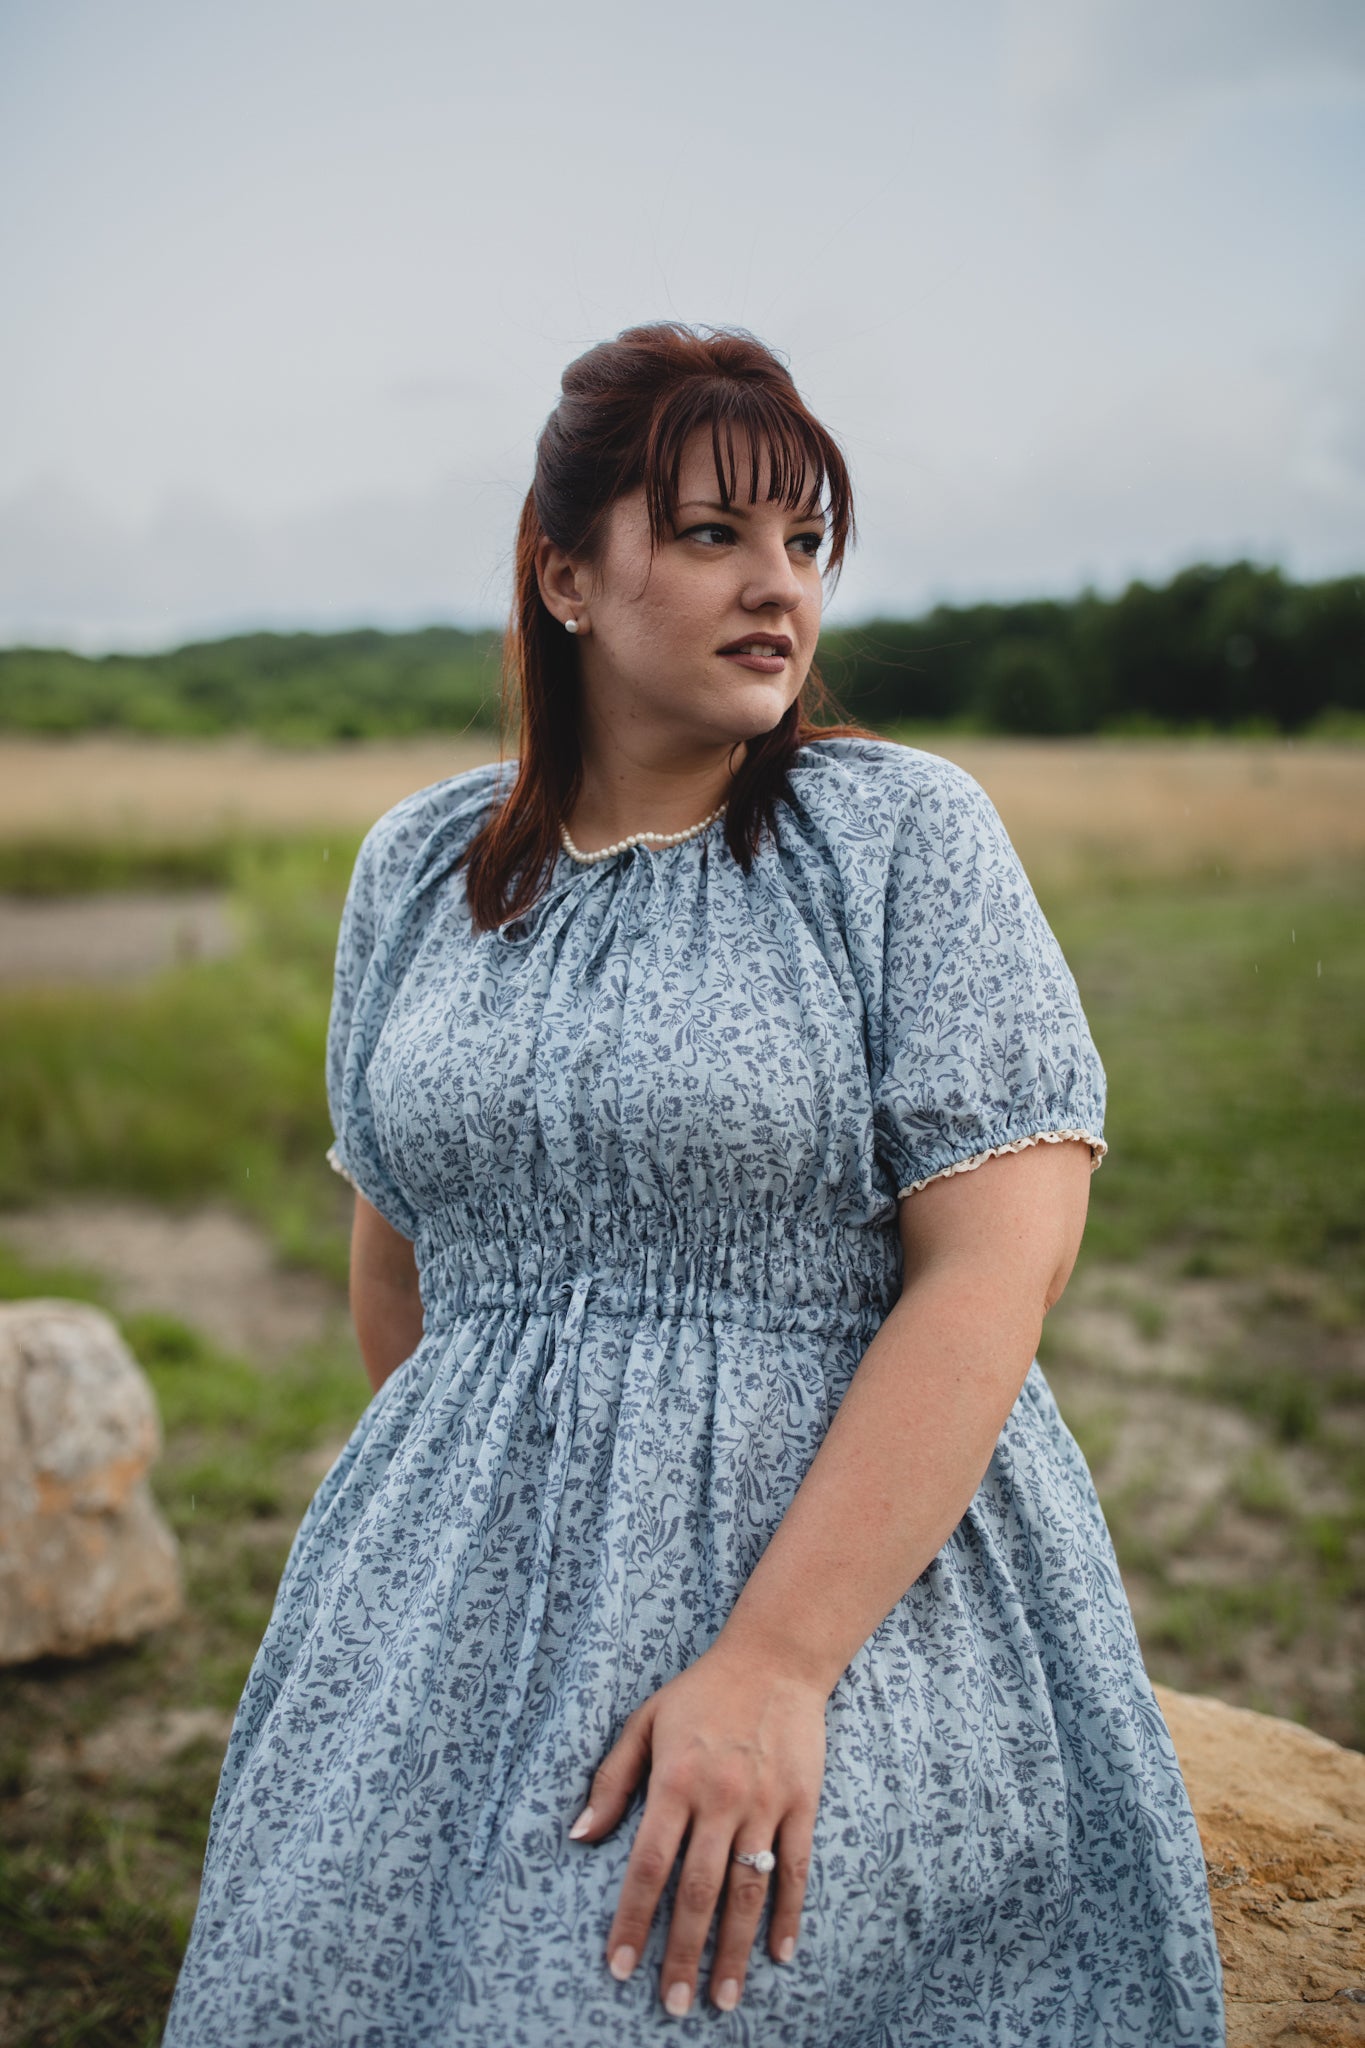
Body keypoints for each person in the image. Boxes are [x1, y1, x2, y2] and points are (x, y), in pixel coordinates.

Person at [163, 323, 1224, 2047]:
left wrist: (778, 1667)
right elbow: (403, 1255)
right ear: (566, 574)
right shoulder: (421, 868)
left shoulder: (897, 838)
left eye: (805, 543)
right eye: (714, 533)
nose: (776, 589)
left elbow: (992, 1274)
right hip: (445, 1598)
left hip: (834, 1590)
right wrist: (501, 1531)